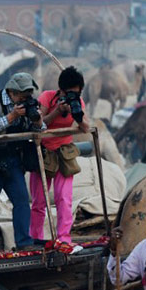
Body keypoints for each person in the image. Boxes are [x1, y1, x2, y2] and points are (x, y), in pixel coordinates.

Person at [0, 72, 46, 253]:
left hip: (13, 161)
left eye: (27, 97)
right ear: (12, 93)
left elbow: (41, 129)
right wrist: (12, 116)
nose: (24, 100)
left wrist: (37, 119)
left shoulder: (26, 104)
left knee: (21, 201)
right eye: (21, 97)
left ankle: (24, 242)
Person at [30, 66, 89, 245]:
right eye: (69, 93)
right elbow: (39, 124)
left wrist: (76, 113)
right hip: (44, 153)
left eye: (76, 93)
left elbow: (85, 127)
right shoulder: (47, 97)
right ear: (61, 90)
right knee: (39, 200)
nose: (72, 96)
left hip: (64, 153)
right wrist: (56, 111)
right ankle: (36, 238)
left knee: (64, 198)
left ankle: (64, 238)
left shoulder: (78, 102)